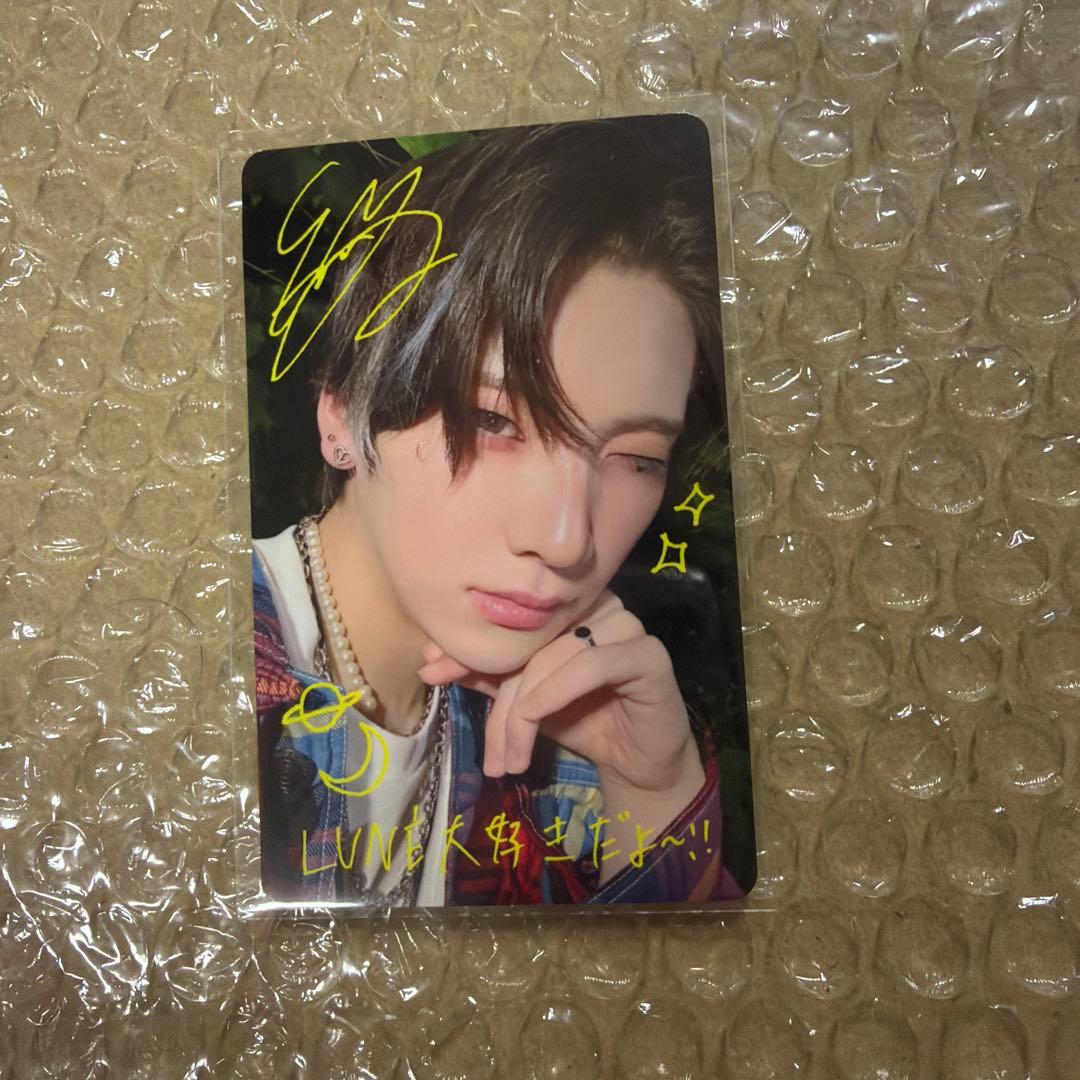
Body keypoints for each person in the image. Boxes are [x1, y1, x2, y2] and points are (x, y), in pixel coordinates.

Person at [252, 115, 745, 906]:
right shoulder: (197, 688)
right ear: (341, 412)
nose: (567, 541)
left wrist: (653, 793)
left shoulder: (567, 747)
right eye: (493, 420)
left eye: (637, 458)